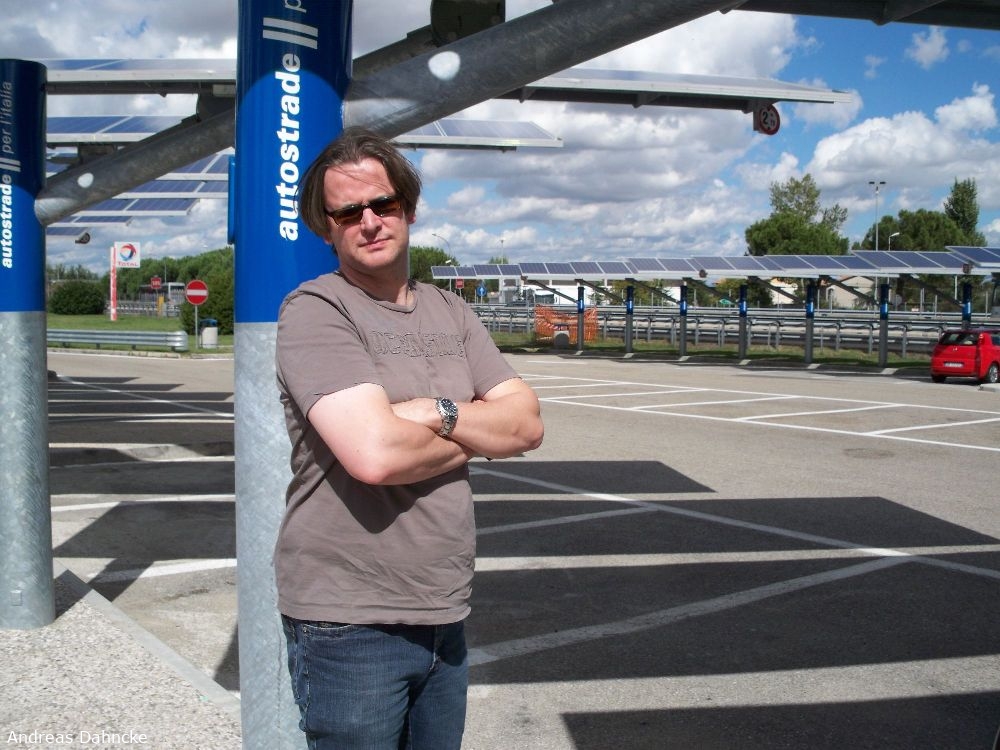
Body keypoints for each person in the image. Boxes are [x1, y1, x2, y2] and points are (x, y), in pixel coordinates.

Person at [273, 126, 544, 750]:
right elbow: (376, 455)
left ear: (409, 208)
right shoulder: (317, 310)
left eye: (383, 204)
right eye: (347, 212)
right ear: (326, 228)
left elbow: (527, 424)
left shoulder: (452, 311)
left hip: (444, 609)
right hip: (349, 620)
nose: (369, 222)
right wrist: (479, 427)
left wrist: (434, 412)